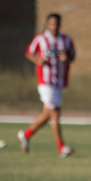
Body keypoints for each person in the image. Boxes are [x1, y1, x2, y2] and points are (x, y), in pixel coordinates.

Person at [18, 13, 75, 158]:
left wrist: (66, 58)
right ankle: (61, 147)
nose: (54, 26)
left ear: (59, 24)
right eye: (51, 23)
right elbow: (29, 53)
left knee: (47, 114)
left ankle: (26, 135)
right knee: (54, 112)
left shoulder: (66, 40)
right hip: (45, 82)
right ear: (47, 24)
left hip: (60, 82)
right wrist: (38, 61)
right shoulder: (40, 39)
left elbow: (72, 57)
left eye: (56, 23)